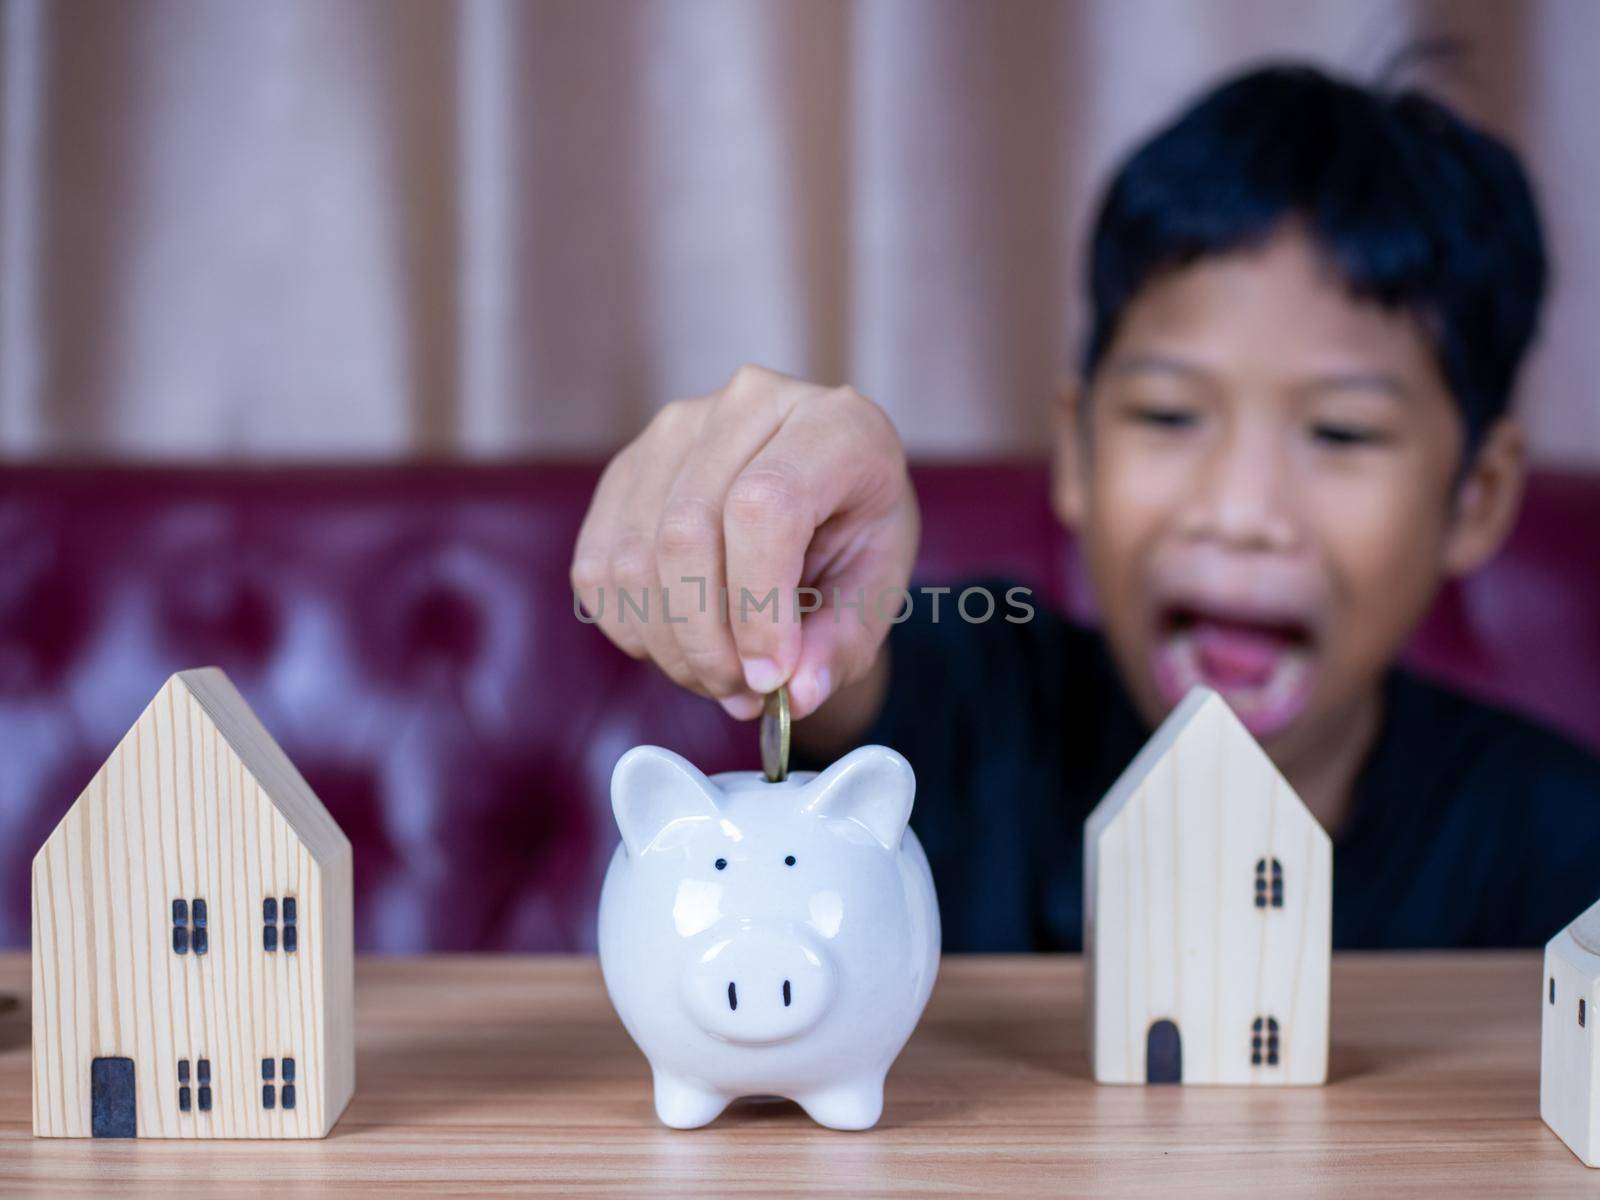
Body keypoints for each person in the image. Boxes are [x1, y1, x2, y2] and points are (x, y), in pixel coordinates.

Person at [570, 63, 1600, 951]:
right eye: (1165, 414)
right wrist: (757, 528)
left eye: (1340, 434)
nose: (1239, 510)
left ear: (1476, 496)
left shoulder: (1557, 839)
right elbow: (835, 672)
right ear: (1075, 451)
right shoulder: (982, 712)